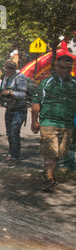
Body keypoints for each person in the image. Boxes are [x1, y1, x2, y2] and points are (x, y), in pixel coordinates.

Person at [31, 55, 76, 192]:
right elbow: (36, 102)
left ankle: (50, 173)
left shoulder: (74, 83)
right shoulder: (47, 82)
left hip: (67, 124)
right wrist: (34, 121)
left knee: (60, 153)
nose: (65, 70)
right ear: (56, 66)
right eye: (62, 67)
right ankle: (49, 179)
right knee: (50, 152)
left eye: (68, 68)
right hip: (49, 122)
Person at [0, 60, 29, 164]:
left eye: (6, 69)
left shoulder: (20, 77)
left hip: (19, 108)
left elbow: (23, 94)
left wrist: (10, 92)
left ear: (12, 69)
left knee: (14, 131)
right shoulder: (6, 77)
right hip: (10, 107)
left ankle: (15, 156)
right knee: (9, 132)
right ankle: (11, 154)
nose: (5, 71)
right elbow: (3, 90)